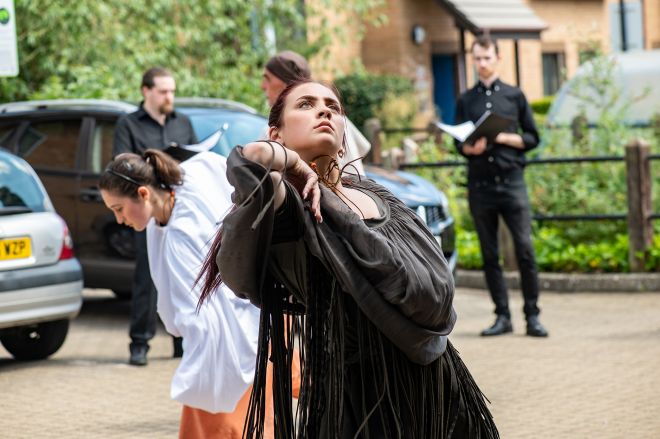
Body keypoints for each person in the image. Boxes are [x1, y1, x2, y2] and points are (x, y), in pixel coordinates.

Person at [199, 79, 499, 438]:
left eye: (333, 107)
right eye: (306, 105)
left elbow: (436, 293)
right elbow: (251, 162)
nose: (324, 110)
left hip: (438, 384)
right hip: (358, 400)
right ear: (275, 134)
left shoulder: (377, 194)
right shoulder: (285, 204)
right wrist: (292, 163)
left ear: (344, 135)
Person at [98, 149, 273, 437]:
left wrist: (195, 375)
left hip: (224, 353)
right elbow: (212, 164)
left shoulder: (181, 237)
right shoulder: (185, 182)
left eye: (118, 209)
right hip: (251, 334)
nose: (119, 220)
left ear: (143, 193)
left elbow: (202, 317)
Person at [454, 36, 548, 338]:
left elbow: (532, 138)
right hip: (480, 185)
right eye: (477, 58)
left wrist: (503, 137)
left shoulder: (515, 95)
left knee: (525, 249)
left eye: (487, 58)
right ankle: (502, 316)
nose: (482, 63)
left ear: (498, 58)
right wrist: (470, 148)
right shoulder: (465, 99)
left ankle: (532, 316)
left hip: (512, 183)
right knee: (489, 254)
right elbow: (459, 142)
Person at [113, 67, 198, 365]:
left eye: (172, 91)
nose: (169, 96)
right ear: (146, 91)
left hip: (179, 208)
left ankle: (181, 341)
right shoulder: (128, 124)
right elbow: (122, 167)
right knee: (148, 277)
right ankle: (139, 344)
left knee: (183, 274)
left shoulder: (183, 122)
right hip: (146, 210)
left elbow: (195, 160)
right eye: (163, 91)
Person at [261, 50, 371, 175]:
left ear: (285, 81)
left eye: (267, 79)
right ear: (276, 136)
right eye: (306, 105)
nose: (262, 86)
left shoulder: (335, 121)